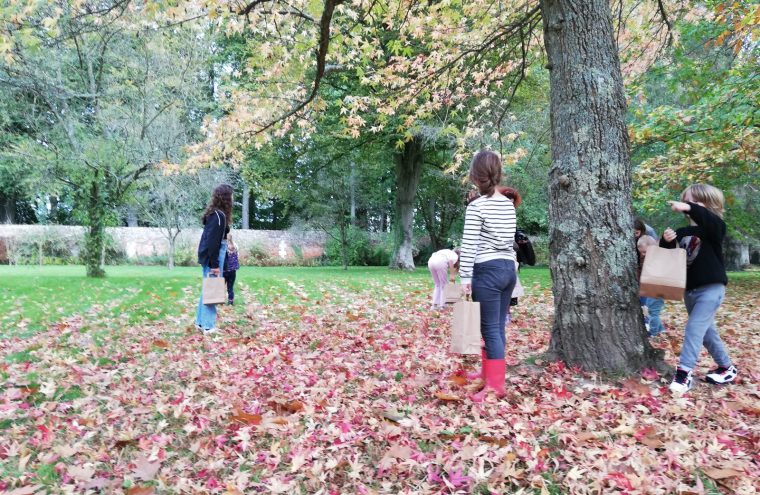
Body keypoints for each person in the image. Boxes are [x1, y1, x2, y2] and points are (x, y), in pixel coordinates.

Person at [660, 184, 737, 394]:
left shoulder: (714, 228)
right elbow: (671, 258)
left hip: (711, 288)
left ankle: (683, 374)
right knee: (706, 332)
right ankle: (726, 367)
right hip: (690, 290)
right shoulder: (683, 232)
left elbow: (709, 220)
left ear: (708, 204)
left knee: (694, 328)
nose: (687, 206)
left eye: (692, 202)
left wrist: (688, 207)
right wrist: (666, 241)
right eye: (685, 201)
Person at [459, 150, 517, 401]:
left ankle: (495, 386)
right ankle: (488, 375)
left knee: (490, 329)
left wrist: (464, 277)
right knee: (496, 328)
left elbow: (469, 244)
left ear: (475, 176)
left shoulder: (477, 207)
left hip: (488, 271)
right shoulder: (508, 204)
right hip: (508, 270)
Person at [195, 184, 233, 334]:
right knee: (212, 289)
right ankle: (208, 327)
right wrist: (215, 265)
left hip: (212, 256)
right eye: (231, 195)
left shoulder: (216, 214)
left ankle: (200, 323)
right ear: (226, 197)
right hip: (214, 257)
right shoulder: (218, 216)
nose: (233, 198)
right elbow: (212, 242)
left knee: (207, 289)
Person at [637, 235, 665, 336]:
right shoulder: (645, 258)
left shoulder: (657, 258)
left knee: (653, 313)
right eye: (641, 252)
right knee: (652, 311)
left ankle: (653, 333)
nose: (642, 254)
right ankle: (661, 331)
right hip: (651, 290)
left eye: (644, 252)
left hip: (657, 290)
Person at [224, 234, 240, 305]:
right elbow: (237, 256)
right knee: (230, 287)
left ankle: (218, 300)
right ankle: (231, 301)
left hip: (225, 270)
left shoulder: (224, 247)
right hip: (233, 271)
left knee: (220, 286)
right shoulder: (235, 246)